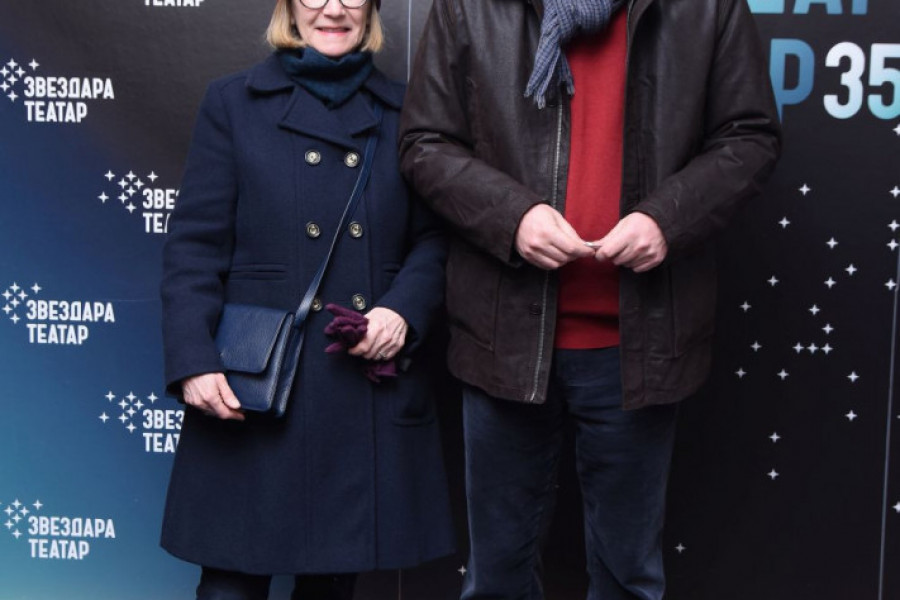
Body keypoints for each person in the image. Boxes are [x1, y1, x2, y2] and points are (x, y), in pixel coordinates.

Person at [399, 0, 781, 599]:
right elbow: (425, 142)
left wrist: (667, 220)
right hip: (505, 336)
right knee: (497, 579)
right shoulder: (469, 6)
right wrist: (512, 216)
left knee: (628, 576)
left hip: (636, 343)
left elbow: (750, 136)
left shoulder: (708, 8)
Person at [159, 0, 454, 598]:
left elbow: (436, 240)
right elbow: (195, 246)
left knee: (330, 586)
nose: (333, 9)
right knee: (230, 586)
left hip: (354, 384)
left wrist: (402, 309)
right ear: (289, 6)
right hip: (257, 389)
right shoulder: (232, 103)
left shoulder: (407, 111)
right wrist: (193, 360)